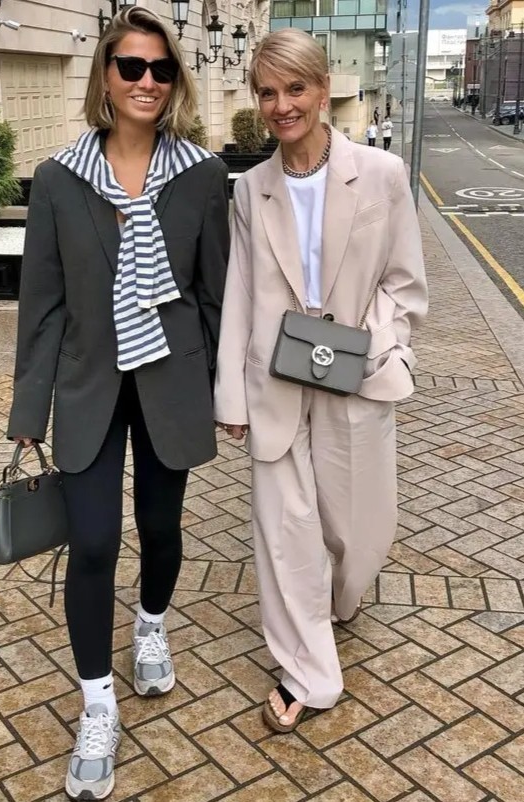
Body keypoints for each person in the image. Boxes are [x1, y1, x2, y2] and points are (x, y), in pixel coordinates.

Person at [7, 7, 229, 799]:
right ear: (105, 76)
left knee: (161, 531)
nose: (146, 81)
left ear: (175, 81)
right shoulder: (59, 180)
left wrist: (223, 391)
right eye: (130, 66)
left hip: (171, 383)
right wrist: (28, 413)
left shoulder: (202, 175)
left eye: (160, 69)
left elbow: (215, 296)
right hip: (88, 387)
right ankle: (97, 704)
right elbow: (42, 306)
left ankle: (151, 626)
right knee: (94, 542)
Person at [214, 27, 427, 733]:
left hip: (353, 374)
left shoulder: (381, 174)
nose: (282, 106)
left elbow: (404, 282)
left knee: (359, 528)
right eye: (267, 93)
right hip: (274, 381)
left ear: (324, 88)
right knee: (285, 532)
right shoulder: (251, 190)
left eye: (295, 88)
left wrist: (380, 347)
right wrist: (231, 394)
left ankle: (340, 597)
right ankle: (308, 668)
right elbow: (240, 293)